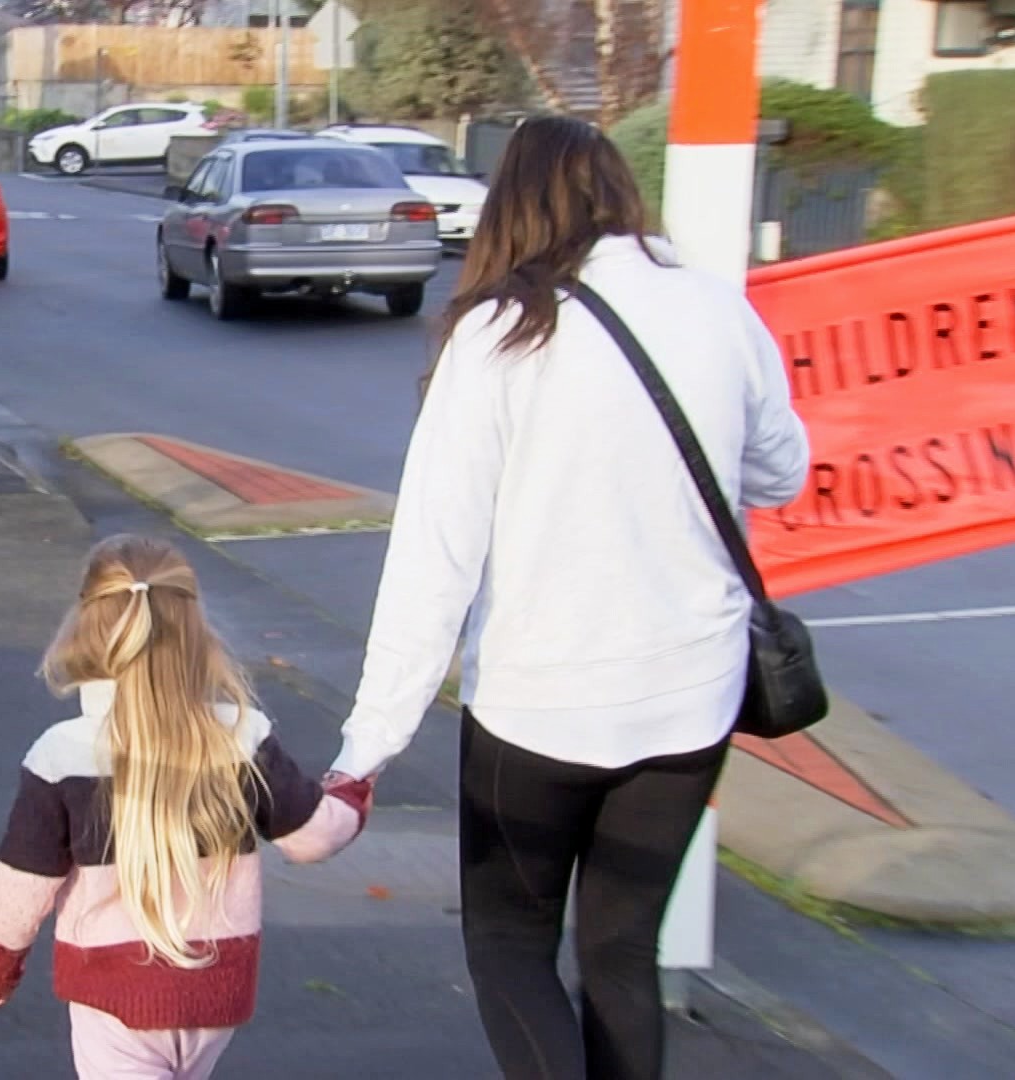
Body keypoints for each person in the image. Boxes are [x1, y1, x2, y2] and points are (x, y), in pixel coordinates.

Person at [325, 116, 810, 1079]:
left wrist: (368, 746)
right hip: (689, 702)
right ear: (620, 193)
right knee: (622, 954)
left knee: (509, 944)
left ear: (513, 205)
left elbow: (436, 559)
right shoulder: (717, 310)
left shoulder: (499, 335)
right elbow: (782, 472)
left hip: (536, 708)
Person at [0, 535, 374, 1080]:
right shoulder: (239, 737)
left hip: (113, 992)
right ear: (194, 632)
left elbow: (23, 884)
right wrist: (351, 786)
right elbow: (314, 836)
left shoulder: (63, 755)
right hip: (216, 991)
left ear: (89, 627)